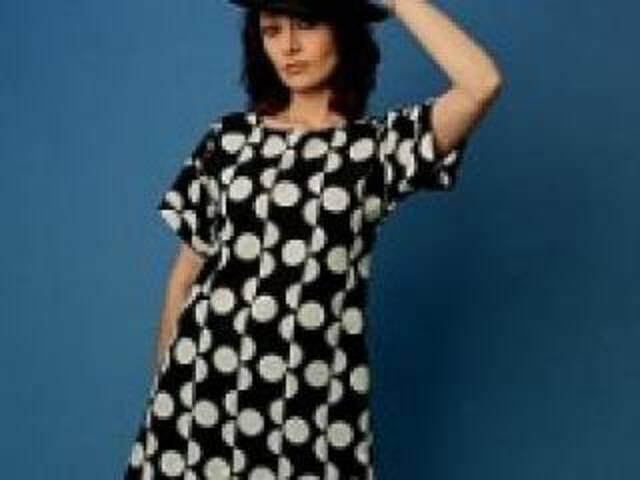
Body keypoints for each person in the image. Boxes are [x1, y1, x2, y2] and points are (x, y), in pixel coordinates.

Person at [123, 0, 502, 478]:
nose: (289, 46)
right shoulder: (228, 141)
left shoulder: (377, 149)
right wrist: (164, 396)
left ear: (344, 32)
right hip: (200, 390)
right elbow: (183, 279)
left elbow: (481, 83)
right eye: (272, 30)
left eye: (306, 24)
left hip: (312, 405)